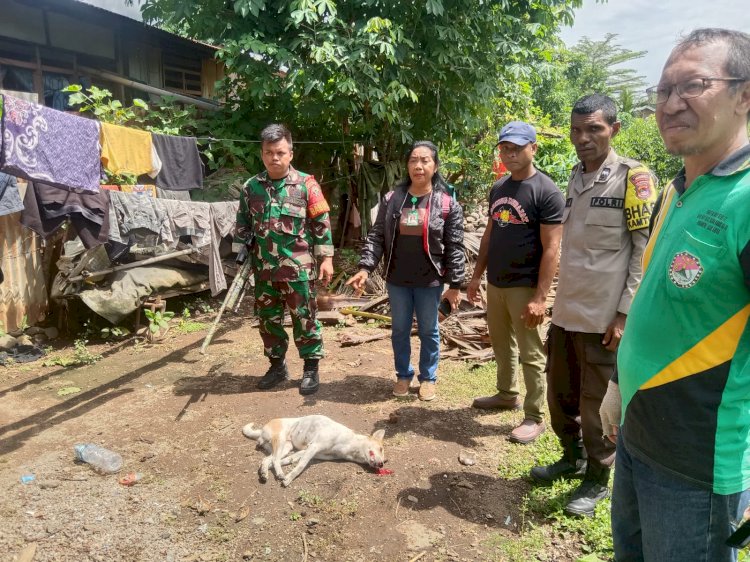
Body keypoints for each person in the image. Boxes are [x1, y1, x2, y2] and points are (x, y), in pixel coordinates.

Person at [600, 28, 750, 561]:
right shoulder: (676, 190)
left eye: (694, 85)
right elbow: (652, 304)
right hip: (639, 438)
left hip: (697, 465)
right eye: (662, 90)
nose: (670, 103)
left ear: (744, 94)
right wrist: (618, 383)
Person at [529, 94, 658, 517]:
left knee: (596, 404)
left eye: (594, 129)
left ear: (614, 130)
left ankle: (597, 479)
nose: (582, 138)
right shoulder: (575, 177)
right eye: (576, 130)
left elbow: (644, 250)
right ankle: (572, 458)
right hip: (568, 312)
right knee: (560, 396)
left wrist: (624, 313)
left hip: (604, 318)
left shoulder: (633, 178)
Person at [468, 121, 565, 445]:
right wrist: (477, 276)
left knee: (531, 352)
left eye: (517, 148)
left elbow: (552, 247)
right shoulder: (499, 188)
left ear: (533, 148)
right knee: (501, 344)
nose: (510, 154)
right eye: (505, 148)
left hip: (525, 286)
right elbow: (490, 234)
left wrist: (540, 297)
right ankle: (507, 394)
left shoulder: (547, 192)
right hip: (496, 284)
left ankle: (534, 416)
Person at [346, 141, 465, 402]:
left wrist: (455, 284)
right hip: (397, 279)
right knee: (399, 329)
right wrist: (365, 267)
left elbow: (455, 246)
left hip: (429, 280)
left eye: (425, 160)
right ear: (407, 164)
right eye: (413, 160)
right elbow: (377, 236)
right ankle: (402, 374)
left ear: (435, 166)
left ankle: (428, 378)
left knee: (429, 330)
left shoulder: (446, 204)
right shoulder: (392, 199)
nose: (418, 166)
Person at [234, 123, 334, 395]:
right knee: (268, 319)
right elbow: (242, 224)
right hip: (263, 269)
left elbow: (321, 223)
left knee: (305, 318)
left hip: (298, 268)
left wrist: (326, 259)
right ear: (262, 153)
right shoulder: (250, 187)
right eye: (269, 152)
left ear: (290, 153)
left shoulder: (306, 184)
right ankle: (276, 365)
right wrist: (241, 250)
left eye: (280, 152)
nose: (274, 158)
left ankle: (311, 369)